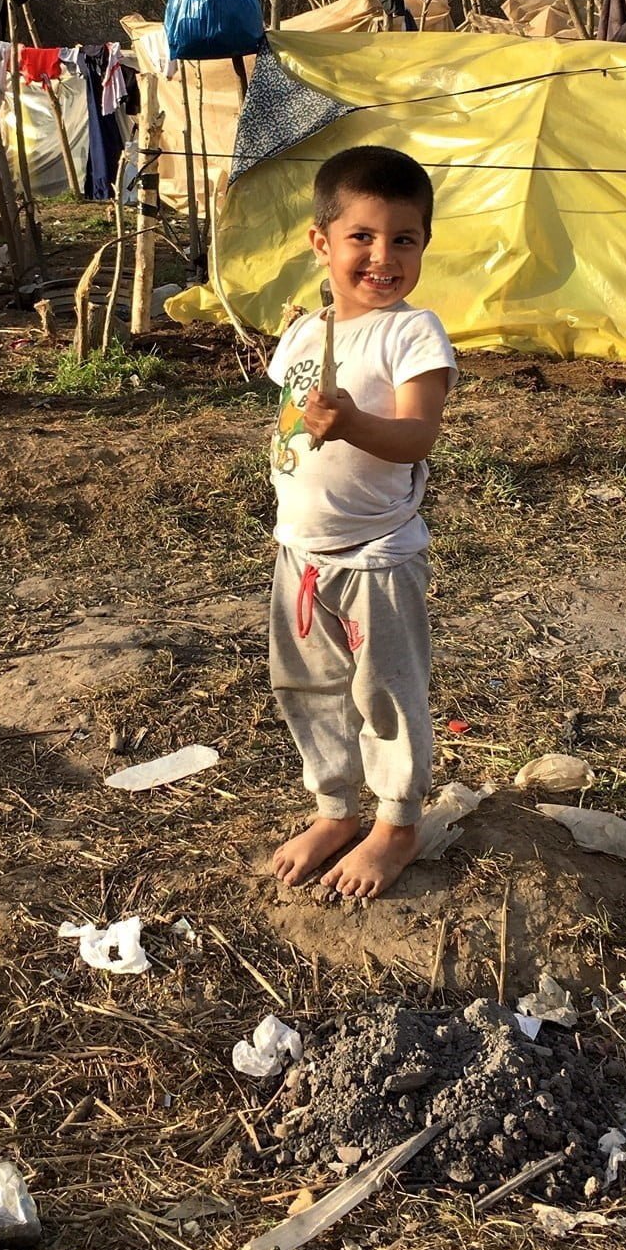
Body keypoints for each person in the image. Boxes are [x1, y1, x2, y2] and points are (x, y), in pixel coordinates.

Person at [264, 144, 457, 900]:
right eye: (362, 238)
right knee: (306, 687)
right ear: (322, 243)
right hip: (300, 553)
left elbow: (417, 437)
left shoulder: (413, 334)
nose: (384, 257)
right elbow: (291, 424)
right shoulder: (306, 334)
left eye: (403, 239)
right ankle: (337, 809)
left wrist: (350, 427)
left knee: (386, 689)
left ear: (423, 246)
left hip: (376, 555)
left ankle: (398, 824)